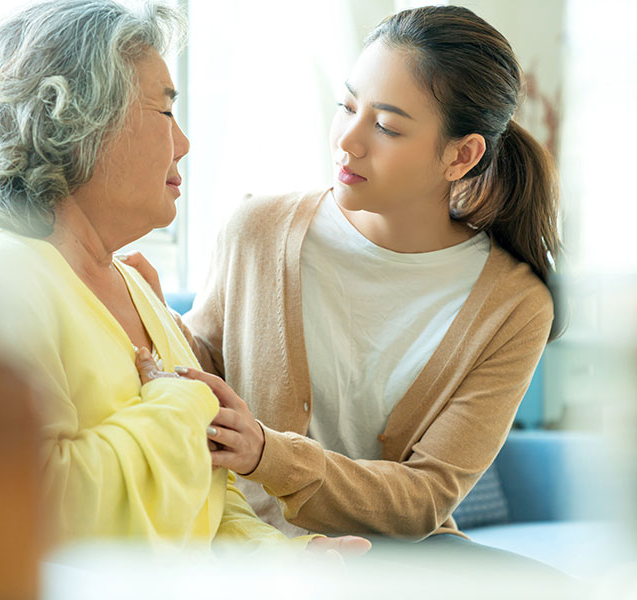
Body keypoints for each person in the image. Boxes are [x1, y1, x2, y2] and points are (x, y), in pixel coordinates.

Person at [0, 0, 369, 555]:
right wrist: (183, 404)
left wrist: (287, 562)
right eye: (165, 113)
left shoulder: (136, 285)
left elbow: (209, 496)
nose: (184, 143)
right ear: (81, 119)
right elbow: (32, 508)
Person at [127, 4, 561, 545]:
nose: (348, 140)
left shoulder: (514, 305)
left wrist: (269, 454)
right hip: (254, 549)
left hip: (394, 564)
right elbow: (208, 365)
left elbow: (424, 497)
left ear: (462, 156)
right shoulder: (257, 229)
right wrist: (149, 313)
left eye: (385, 126)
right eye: (346, 105)